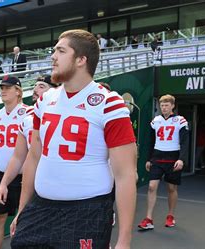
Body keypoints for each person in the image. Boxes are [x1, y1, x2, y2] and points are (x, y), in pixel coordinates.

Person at [10, 29, 137, 249]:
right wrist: (22, 209)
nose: (53, 57)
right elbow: (34, 156)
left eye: (60, 51)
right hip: (41, 207)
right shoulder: (44, 101)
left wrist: (124, 240)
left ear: (81, 59)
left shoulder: (109, 104)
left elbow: (125, 174)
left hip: (86, 212)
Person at [0, 75, 59, 208]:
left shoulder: (60, 118)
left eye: (41, 87)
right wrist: (4, 183)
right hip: (33, 181)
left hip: (55, 183)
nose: (35, 89)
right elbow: (19, 157)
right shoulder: (27, 120)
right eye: (35, 86)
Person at [0, 75, 31, 249]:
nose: (3, 91)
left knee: (24, 220)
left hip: (23, 176)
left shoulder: (30, 113)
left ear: (18, 91)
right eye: (1, 88)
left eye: (8, 87)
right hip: (1, 175)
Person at [138, 94, 189, 231]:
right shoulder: (156, 121)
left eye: (166, 105)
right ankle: (148, 218)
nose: (164, 108)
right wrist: (149, 159)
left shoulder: (180, 120)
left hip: (173, 158)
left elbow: (185, 142)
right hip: (157, 157)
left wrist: (181, 159)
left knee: (171, 188)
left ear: (172, 106)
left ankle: (170, 215)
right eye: (162, 105)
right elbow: (150, 142)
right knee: (151, 186)